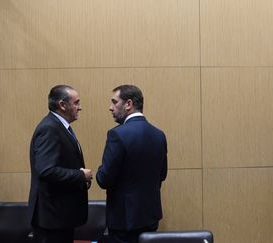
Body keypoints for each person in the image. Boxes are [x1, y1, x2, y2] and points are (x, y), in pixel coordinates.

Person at [96, 84, 168, 243]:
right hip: (150, 217)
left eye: (114, 102)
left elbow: (104, 179)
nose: (110, 107)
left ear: (128, 104)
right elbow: (162, 174)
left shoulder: (117, 134)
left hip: (123, 220)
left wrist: (97, 173)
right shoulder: (159, 135)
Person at [28, 85, 92, 243]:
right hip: (52, 219)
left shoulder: (59, 127)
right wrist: (80, 175)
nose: (80, 107)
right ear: (62, 105)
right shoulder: (50, 128)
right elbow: (46, 170)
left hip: (60, 217)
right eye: (76, 103)